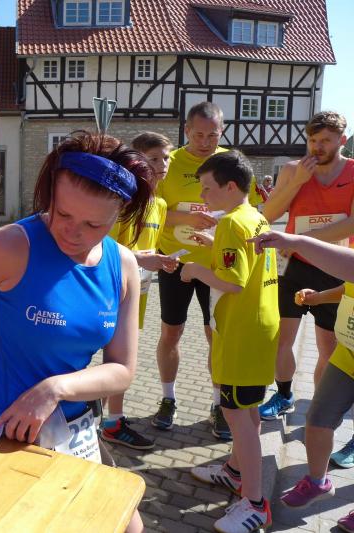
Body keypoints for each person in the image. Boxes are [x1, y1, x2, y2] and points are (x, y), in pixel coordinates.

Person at [0, 130, 152, 532]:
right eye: (62, 213)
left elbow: (122, 370)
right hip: (4, 428)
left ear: (119, 214)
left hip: (77, 429)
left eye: (93, 224)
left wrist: (54, 389)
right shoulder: (7, 247)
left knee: (129, 526)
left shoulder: (123, 265)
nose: (72, 232)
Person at [153, 101, 263, 439]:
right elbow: (154, 212)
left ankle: (218, 405)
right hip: (175, 259)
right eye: (198, 134)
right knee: (171, 332)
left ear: (222, 131)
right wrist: (187, 218)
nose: (205, 142)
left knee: (215, 335)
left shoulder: (231, 162)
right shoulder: (169, 163)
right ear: (186, 130)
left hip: (217, 265)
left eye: (212, 135)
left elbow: (250, 208)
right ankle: (168, 398)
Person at [182, 151, 278, 533]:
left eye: (208, 188)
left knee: (237, 414)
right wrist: (213, 246)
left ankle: (255, 503)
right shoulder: (254, 215)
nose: (203, 196)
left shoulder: (231, 223)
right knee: (247, 411)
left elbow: (233, 282)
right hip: (257, 327)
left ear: (231, 186)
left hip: (242, 331)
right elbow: (244, 265)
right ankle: (235, 471)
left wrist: (194, 269)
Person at [258, 112, 354, 469]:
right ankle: (284, 395)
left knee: (329, 347)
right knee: (281, 338)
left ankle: (319, 408)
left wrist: (303, 240)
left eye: (326, 140)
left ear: (342, 140)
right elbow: (268, 214)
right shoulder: (292, 170)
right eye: (313, 141)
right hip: (295, 267)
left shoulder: (353, 172)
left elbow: (352, 223)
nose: (318, 147)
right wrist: (297, 181)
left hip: (336, 267)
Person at [248, 230, 354, 533]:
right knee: (318, 420)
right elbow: (349, 282)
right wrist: (318, 297)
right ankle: (318, 482)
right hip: (347, 355)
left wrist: (295, 241)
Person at [101, 132, 179, 450]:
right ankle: (105, 420)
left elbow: (146, 250)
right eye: (154, 158)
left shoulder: (160, 204)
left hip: (139, 292)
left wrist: (159, 261)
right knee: (109, 356)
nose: (162, 164)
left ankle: (108, 420)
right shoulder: (124, 199)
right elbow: (103, 248)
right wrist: (140, 258)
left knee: (121, 356)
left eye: (166, 158)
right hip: (107, 288)